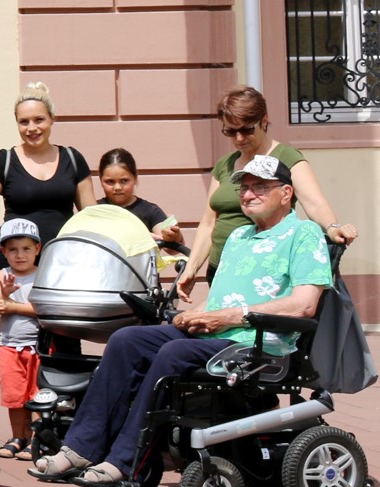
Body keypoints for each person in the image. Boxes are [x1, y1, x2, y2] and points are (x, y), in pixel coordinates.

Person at [30, 157, 331, 486]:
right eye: (244, 187)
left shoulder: (304, 234)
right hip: (217, 333)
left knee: (173, 354)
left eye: (260, 186)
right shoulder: (239, 237)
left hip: (257, 344)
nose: (248, 194)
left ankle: (125, 461)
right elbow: (222, 299)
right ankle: (78, 448)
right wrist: (196, 314)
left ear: (286, 192)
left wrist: (227, 317)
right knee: (126, 340)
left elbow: (304, 305)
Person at [176, 85, 357, 301]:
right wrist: (192, 268)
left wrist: (332, 228)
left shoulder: (286, 157)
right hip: (222, 267)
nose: (239, 138)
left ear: (264, 121)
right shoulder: (226, 164)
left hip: (260, 269)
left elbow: (315, 204)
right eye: (231, 131)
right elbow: (208, 223)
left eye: (247, 129)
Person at [0, 82, 96, 277]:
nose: (32, 128)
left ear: (52, 119)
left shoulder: (73, 159)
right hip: (15, 266)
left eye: (39, 119)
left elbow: (91, 216)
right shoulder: (4, 161)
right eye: (24, 122)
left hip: (64, 261)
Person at [0, 219, 42, 461]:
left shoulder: (43, 274)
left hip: (37, 347)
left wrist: (12, 305)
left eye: (26, 249)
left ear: (37, 249)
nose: (20, 255)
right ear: (4, 252)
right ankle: (18, 437)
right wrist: (4, 298)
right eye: (13, 250)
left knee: (37, 395)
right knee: (14, 396)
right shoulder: (3, 274)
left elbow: (43, 309)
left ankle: (37, 439)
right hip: (9, 347)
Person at [95, 148, 179, 243]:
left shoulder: (150, 210)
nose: (117, 187)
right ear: (101, 180)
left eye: (124, 181)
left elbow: (171, 247)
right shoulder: (94, 209)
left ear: (135, 178)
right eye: (110, 181)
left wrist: (173, 236)